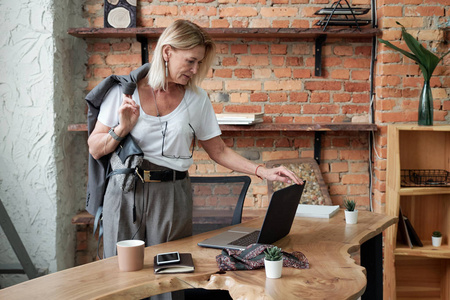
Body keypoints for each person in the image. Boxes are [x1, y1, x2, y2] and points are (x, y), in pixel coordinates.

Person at [88, 19, 303, 259]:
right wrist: (122, 128)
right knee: (121, 278)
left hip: (172, 196)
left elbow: (218, 151)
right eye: (190, 61)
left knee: (169, 276)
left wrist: (262, 171)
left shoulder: (197, 99)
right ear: (167, 52)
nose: (195, 70)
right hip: (125, 194)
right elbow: (96, 149)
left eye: (199, 63)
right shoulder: (123, 91)